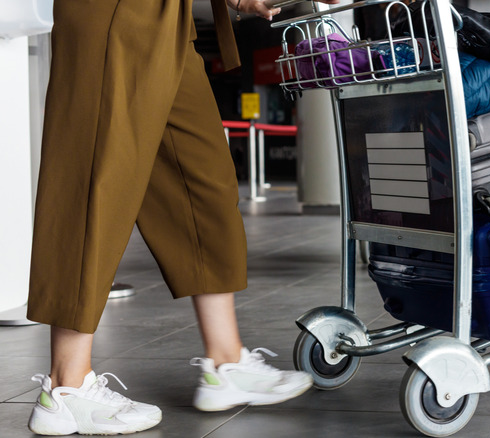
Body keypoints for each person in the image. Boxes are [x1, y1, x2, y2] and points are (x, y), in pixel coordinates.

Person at [24, 0, 336, 435]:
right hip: (114, 9)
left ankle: (226, 365)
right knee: (96, 181)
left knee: (202, 180)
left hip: (168, 16)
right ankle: (65, 388)